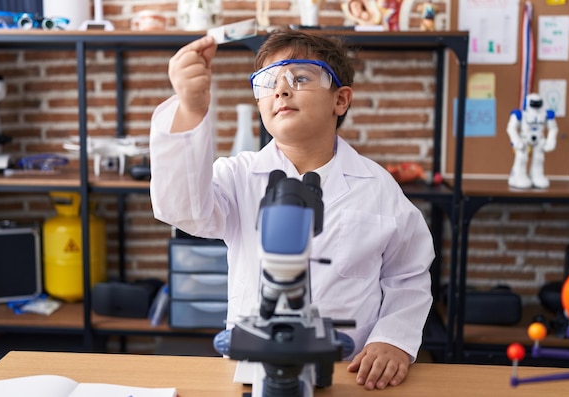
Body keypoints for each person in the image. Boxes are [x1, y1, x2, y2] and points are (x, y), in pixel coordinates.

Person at [149, 28, 434, 390]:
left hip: (349, 373)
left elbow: (407, 275)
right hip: (254, 369)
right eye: (268, 81)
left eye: (299, 77)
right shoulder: (239, 176)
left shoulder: (378, 188)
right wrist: (190, 108)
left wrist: (392, 338)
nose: (281, 89)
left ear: (340, 100)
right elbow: (182, 208)